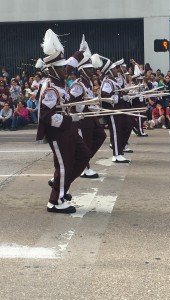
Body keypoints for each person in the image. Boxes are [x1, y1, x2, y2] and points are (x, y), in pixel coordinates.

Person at [37, 29, 91, 214]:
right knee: (64, 164)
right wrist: (70, 119)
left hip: (69, 129)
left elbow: (69, 64)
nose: (65, 70)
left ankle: (61, 185)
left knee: (84, 155)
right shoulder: (51, 88)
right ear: (52, 69)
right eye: (61, 67)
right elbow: (46, 116)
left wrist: (80, 52)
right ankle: (55, 201)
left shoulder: (58, 75)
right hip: (59, 132)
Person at [68, 39, 106, 178]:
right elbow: (72, 103)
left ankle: (84, 162)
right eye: (89, 69)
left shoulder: (88, 83)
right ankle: (84, 167)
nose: (92, 71)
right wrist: (84, 106)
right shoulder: (78, 85)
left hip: (91, 118)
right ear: (82, 70)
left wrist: (95, 106)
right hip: (83, 120)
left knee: (101, 136)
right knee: (86, 143)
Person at [92, 53, 131, 163]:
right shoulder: (108, 81)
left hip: (119, 109)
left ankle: (120, 150)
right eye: (113, 69)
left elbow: (118, 93)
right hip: (113, 111)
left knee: (125, 127)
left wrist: (124, 96)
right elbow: (104, 96)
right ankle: (116, 154)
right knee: (115, 131)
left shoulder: (113, 80)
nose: (116, 70)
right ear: (109, 71)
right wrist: (116, 98)